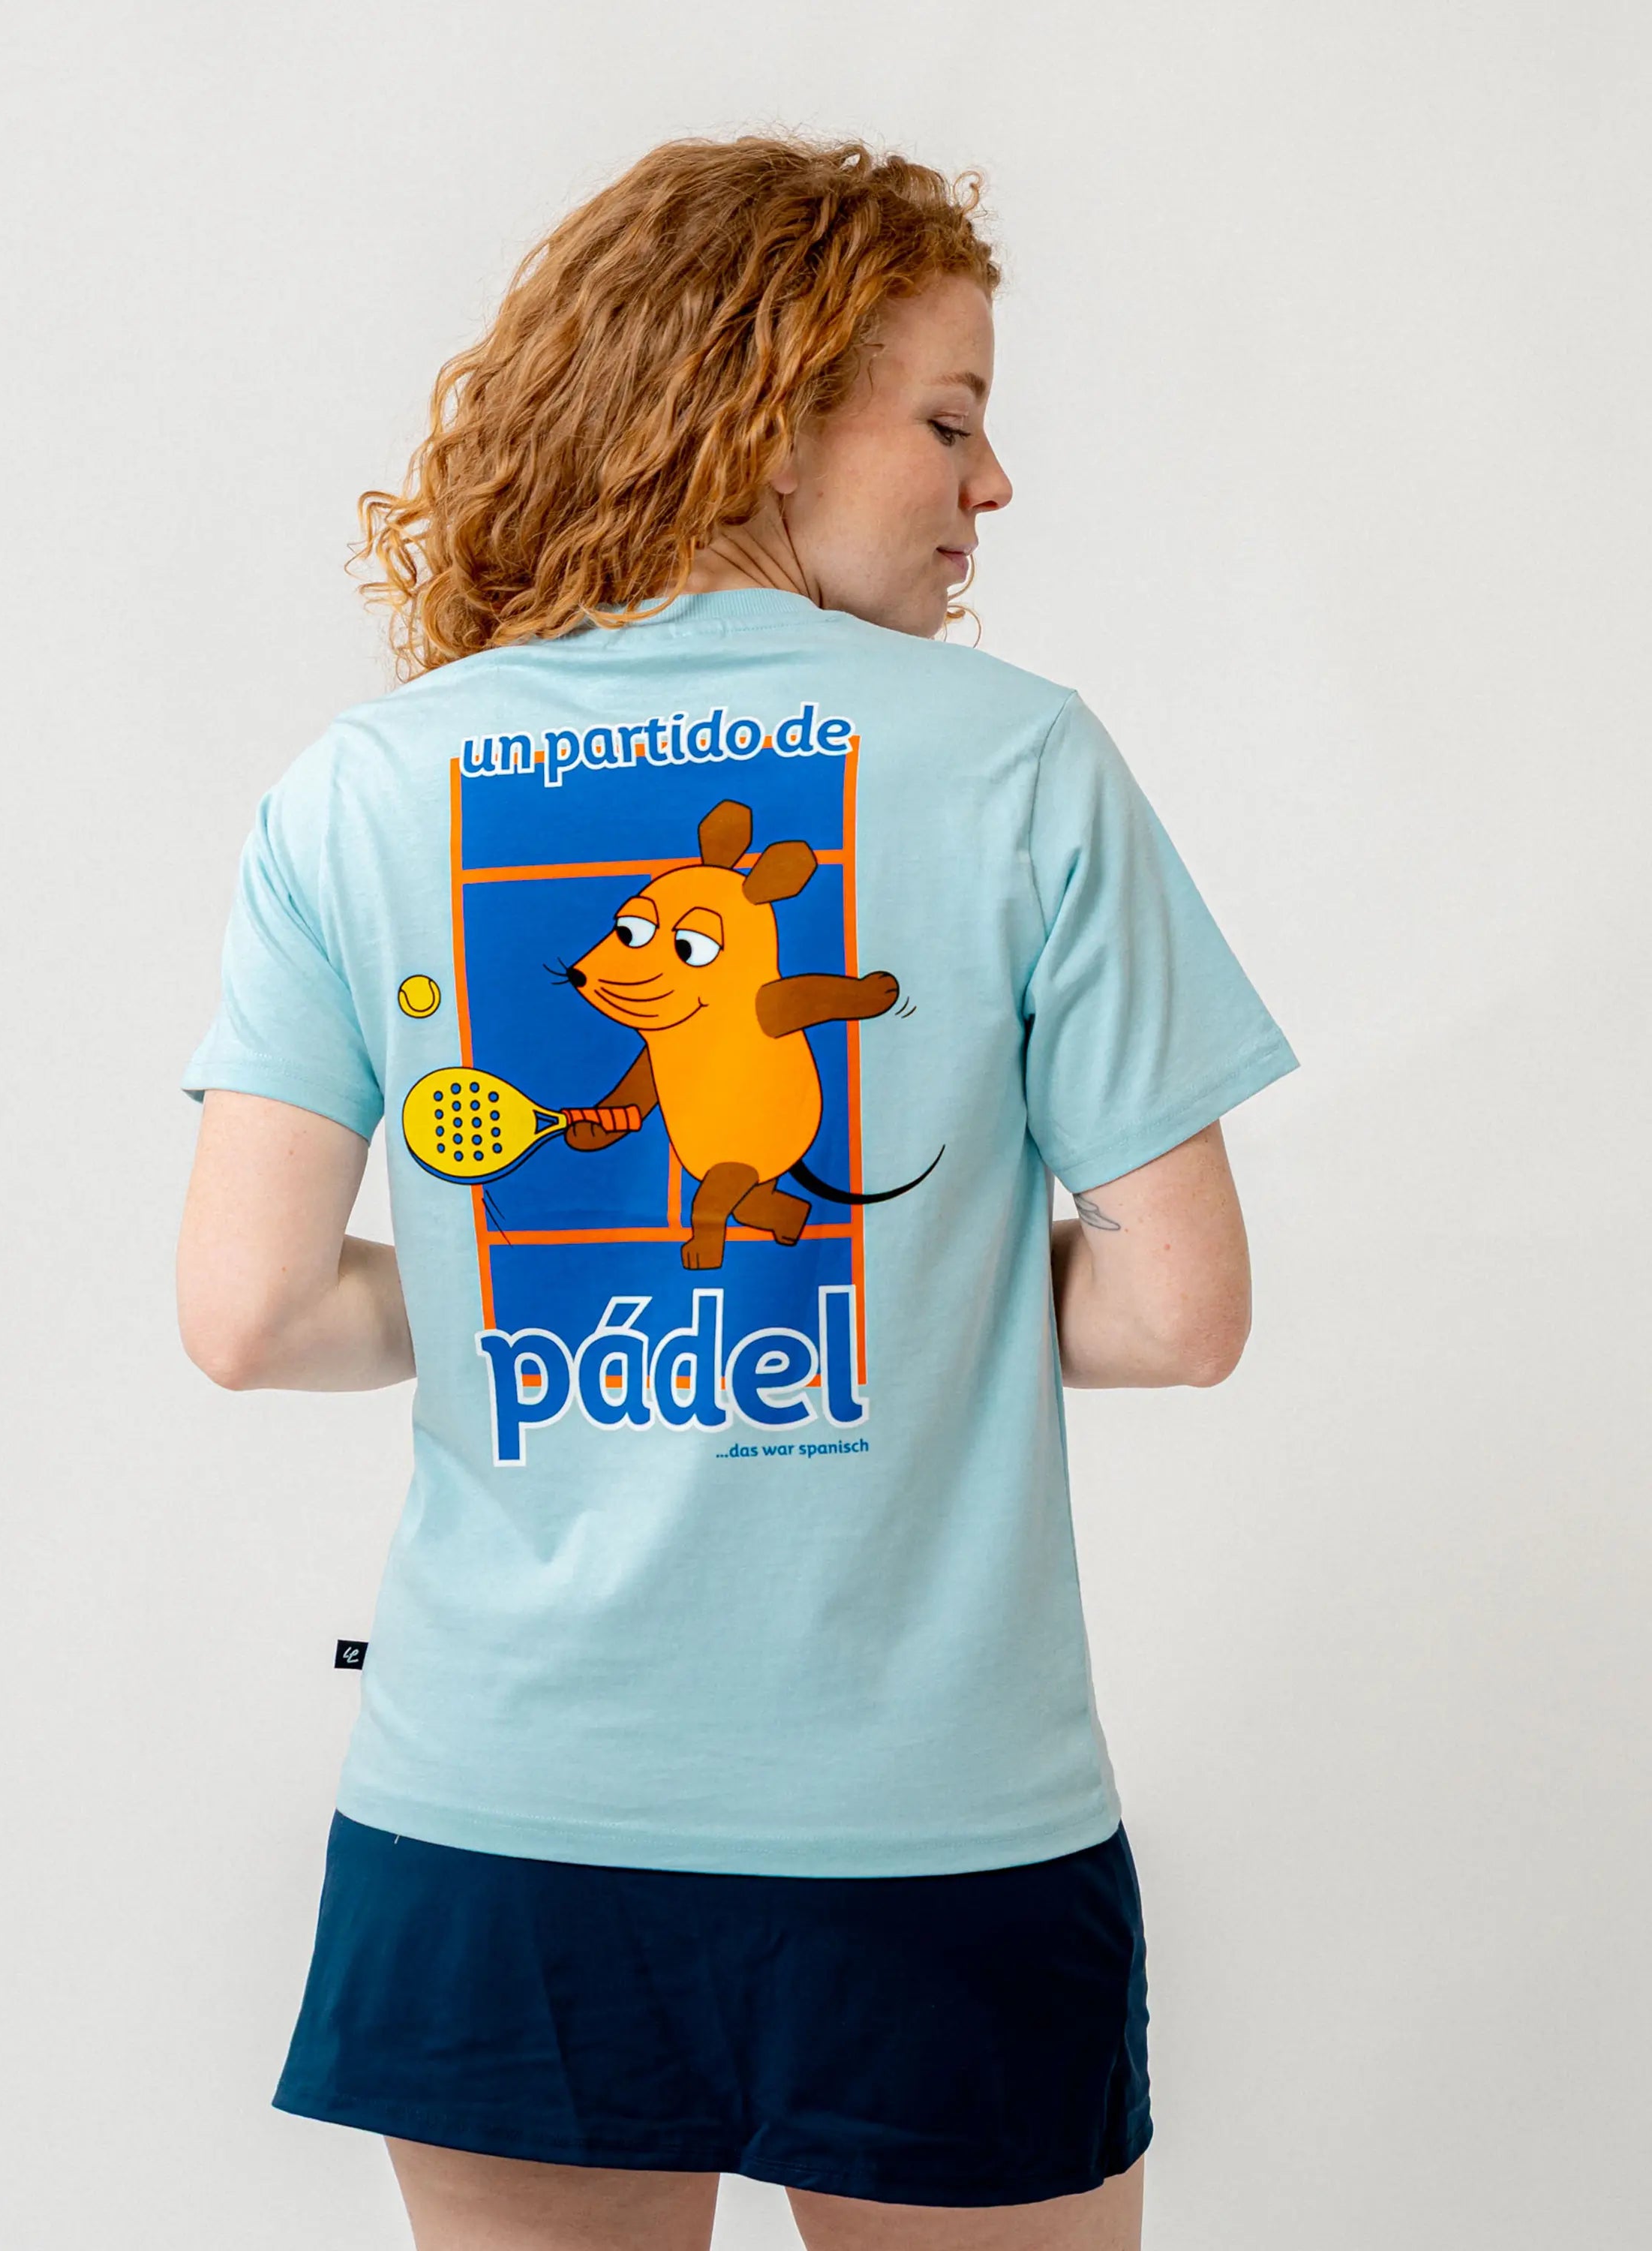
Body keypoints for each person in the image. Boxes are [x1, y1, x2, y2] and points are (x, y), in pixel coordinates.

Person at [177, 134, 1298, 2251]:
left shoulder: (362, 788)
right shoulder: (1019, 760)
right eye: (948, 420)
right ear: (762, 400)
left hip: (495, 1823)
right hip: (932, 1830)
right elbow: (1178, 1312)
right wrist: (932, 1271)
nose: (992, 485)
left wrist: (518, 1275)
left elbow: (252, 1314)